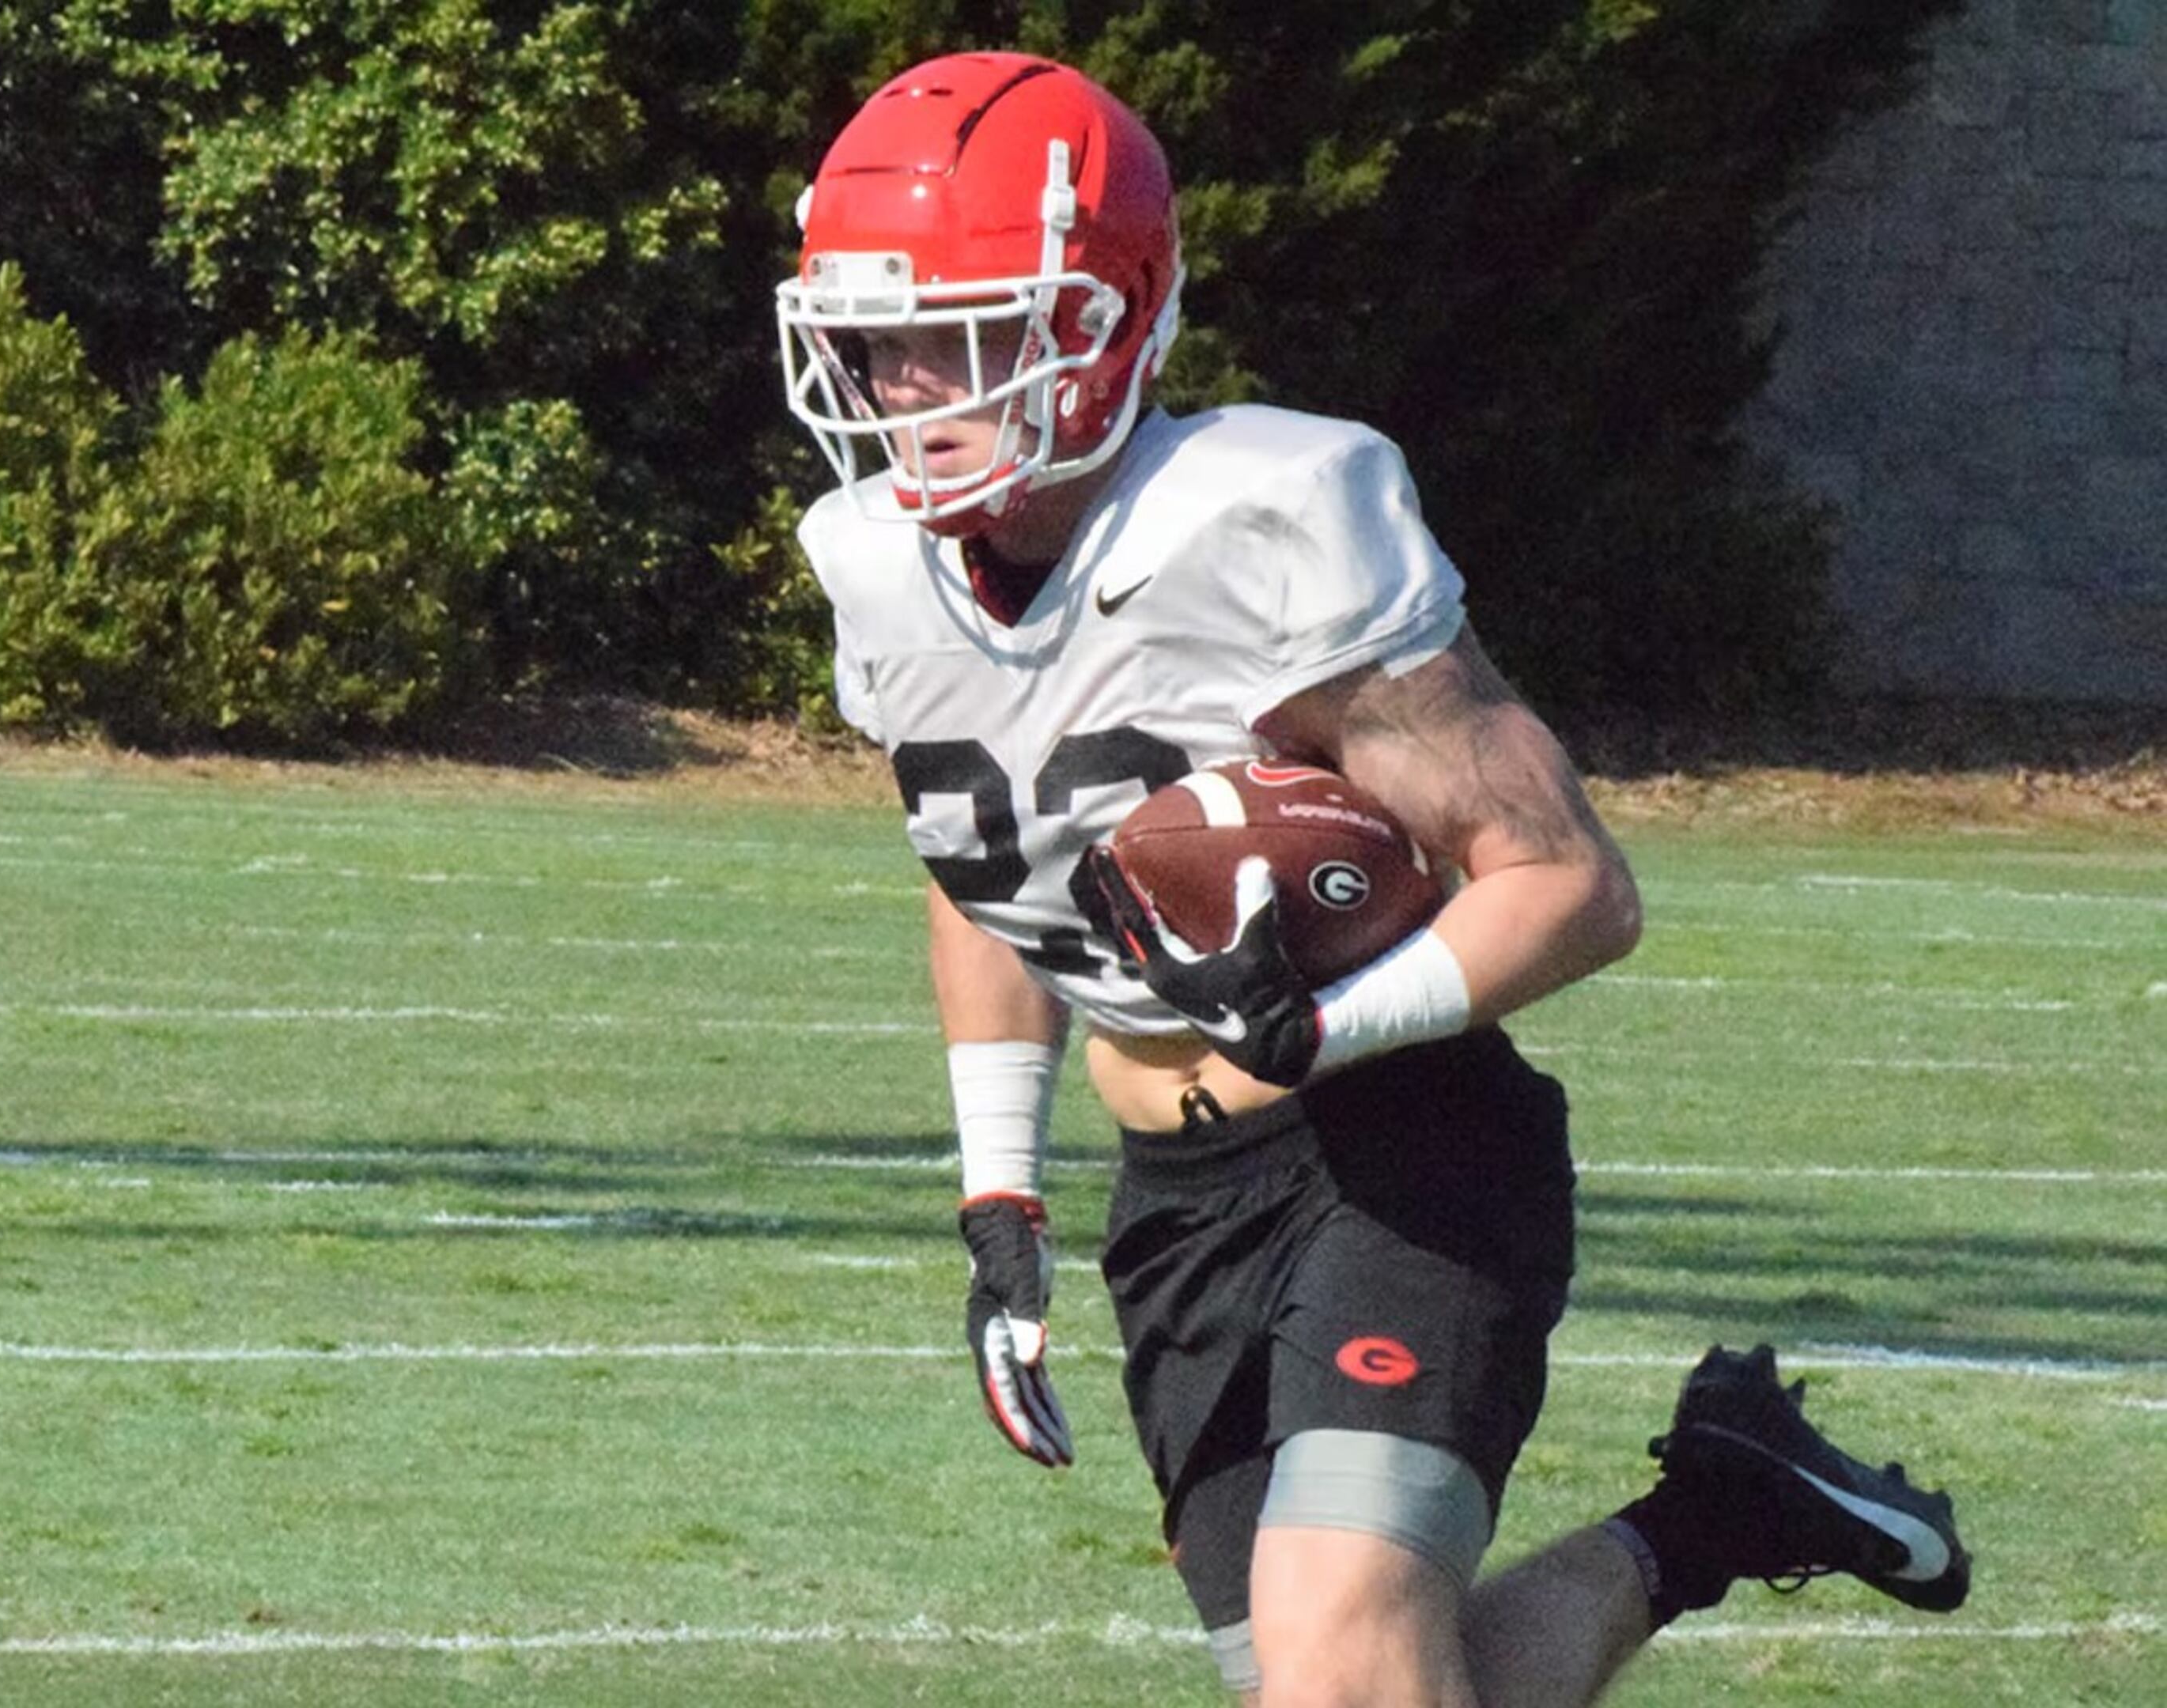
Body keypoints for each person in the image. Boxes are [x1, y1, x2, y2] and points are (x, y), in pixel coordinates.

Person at [776, 51, 1970, 1705]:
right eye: (878, 334)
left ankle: (1716, 1509)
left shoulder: (1268, 515)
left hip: (1396, 1150)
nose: (901, 379)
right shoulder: (873, 566)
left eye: (955, 331)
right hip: (1181, 1215)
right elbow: (989, 866)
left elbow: (1569, 884)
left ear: (1093, 326)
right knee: (1347, 1691)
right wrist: (1001, 1196)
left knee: (1343, 1674)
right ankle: (1715, 1513)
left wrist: (1326, 1028)